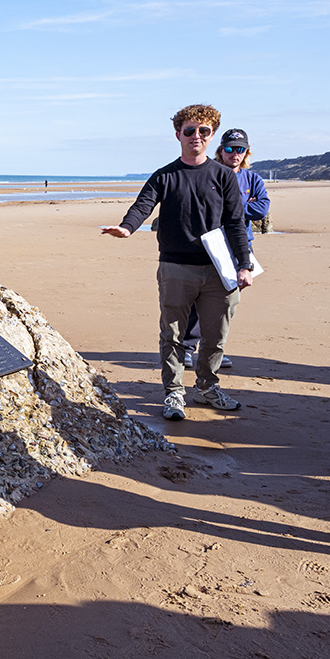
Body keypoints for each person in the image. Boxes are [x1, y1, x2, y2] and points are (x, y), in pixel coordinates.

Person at [102, 104, 254, 421]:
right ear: (178, 135)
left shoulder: (224, 176)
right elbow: (143, 204)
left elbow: (237, 223)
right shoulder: (165, 176)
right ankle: (173, 393)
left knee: (215, 336)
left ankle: (207, 389)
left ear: (211, 136)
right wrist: (127, 227)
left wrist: (245, 265)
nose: (195, 136)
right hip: (175, 269)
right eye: (189, 130)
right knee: (172, 335)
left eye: (203, 131)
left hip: (218, 272)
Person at [178, 127, 271, 369]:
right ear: (221, 150)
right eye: (229, 149)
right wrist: (240, 205)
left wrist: (234, 206)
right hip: (212, 245)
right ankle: (187, 347)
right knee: (201, 300)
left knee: (226, 303)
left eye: (240, 149)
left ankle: (214, 350)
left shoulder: (253, 179)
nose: (234, 154)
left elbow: (261, 209)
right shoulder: (212, 173)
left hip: (241, 247)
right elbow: (209, 207)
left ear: (246, 152)